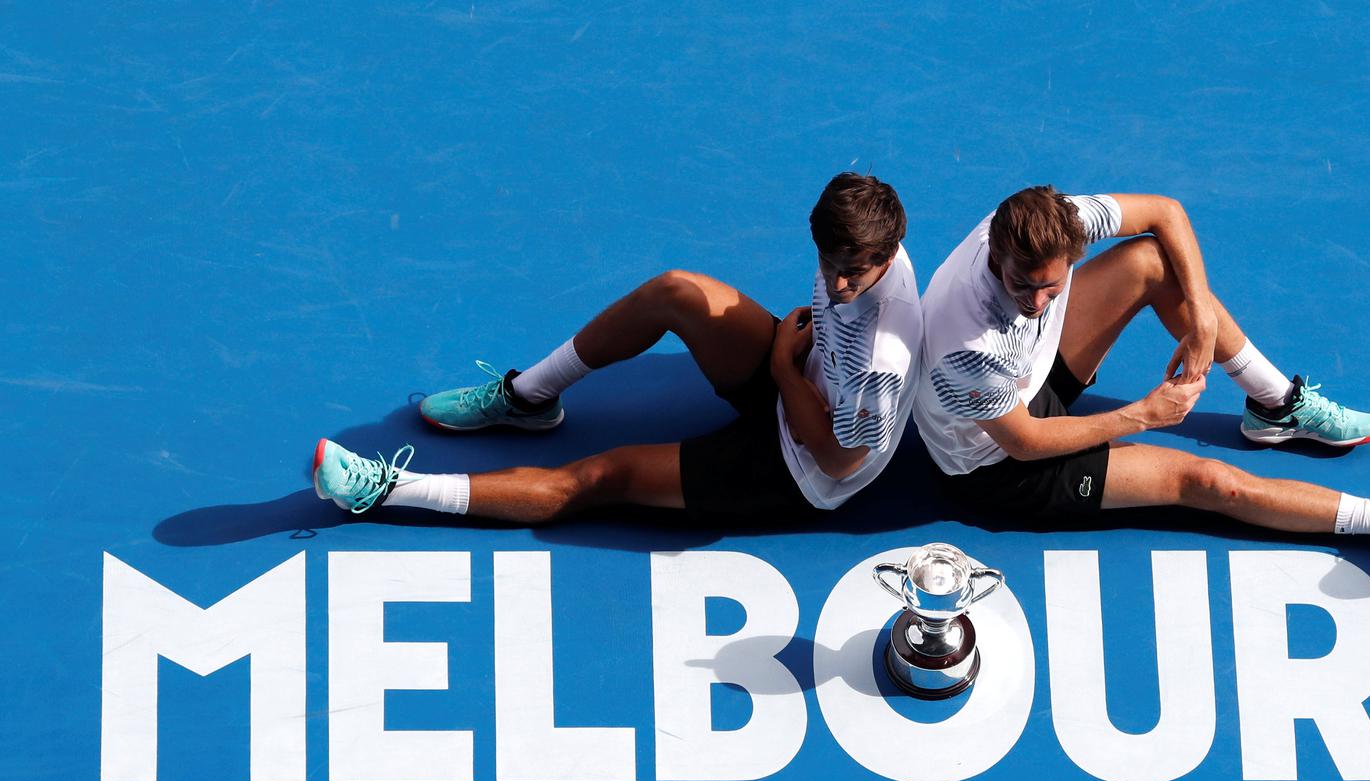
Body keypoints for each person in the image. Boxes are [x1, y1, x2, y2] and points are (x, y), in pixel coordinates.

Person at [311, 172, 922, 523]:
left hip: (800, 466)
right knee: (676, 292)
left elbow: (839, 461)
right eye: (828, 264)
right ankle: (528, 397)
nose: (836, 284)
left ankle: (387, 489)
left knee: (598, 476)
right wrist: (794, 363)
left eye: (853, 274)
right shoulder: (858, 242)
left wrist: (784, 369)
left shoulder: (881, 363)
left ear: (887, 255)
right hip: (805, 376)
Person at [911, 186, 1370, 550]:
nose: (1037, 302)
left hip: (1028, 380)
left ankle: (1274, 404)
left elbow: (1166, 213)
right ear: (997, 254)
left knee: (1149, 261)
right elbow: (1025, 442)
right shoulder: (969, 340)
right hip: (998, 462)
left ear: (1074, 248)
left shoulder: (1058, 221)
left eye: (1050, 286)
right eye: (1021, 285)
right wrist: (1143, 415)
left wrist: (1202, 323)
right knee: (1207, 482)